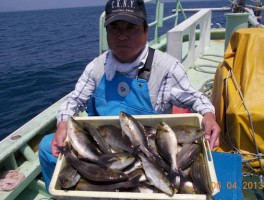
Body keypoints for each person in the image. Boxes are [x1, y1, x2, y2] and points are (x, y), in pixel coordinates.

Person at [39, 0, 220, 192]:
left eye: (131, 27)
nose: (122, 36)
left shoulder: (167, 68)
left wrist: (208, 116)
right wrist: (63, 124)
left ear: (145, 30)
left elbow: (194, 99)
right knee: (46, 147)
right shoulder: (96, 67)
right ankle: (65, 194)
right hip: (103, 145)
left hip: (148, 147)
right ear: (107, 33)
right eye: (114, 28)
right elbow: (74, 100)